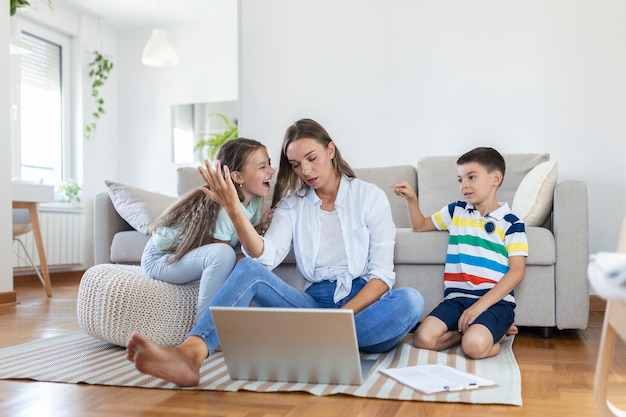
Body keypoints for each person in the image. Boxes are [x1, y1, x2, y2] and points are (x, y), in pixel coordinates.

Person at [126, 118, 425, 386]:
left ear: (330, 150)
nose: (305, 171)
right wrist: (233, 208)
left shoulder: (369, 197)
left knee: (411, 301)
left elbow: (382, 277)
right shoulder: (292, 205)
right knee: (248, 269)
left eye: (312, 158)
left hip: (361, 310)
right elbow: (263, 256)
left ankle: (312, 342)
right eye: (295, 164)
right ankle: (190, 354)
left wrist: (342, 319)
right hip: (313, 307)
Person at [392, 147, 527, 359]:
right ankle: (468, 334)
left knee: (473, 347)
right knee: (422, 339)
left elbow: (517, 272)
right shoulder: (457, 210)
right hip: (457, 300)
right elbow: (420, 226)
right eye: (460, 179)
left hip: (494, 303)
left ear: (495, 178)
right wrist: (411, 200)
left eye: (471, 177)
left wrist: (479, 307)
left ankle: (498, 336)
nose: (464, 185)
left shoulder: (512, 222)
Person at [140, 138, 275, 319]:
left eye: (269, 164)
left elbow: (244, 235)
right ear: (238, 177)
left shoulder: (254, 200)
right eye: (262, 167)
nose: (271, 171)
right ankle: (205, 324)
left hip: (187, 255)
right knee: (225, 254)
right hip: (161, 259)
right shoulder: (223, 210)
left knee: (255, 250)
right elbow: (221, 255)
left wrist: (261, 227)